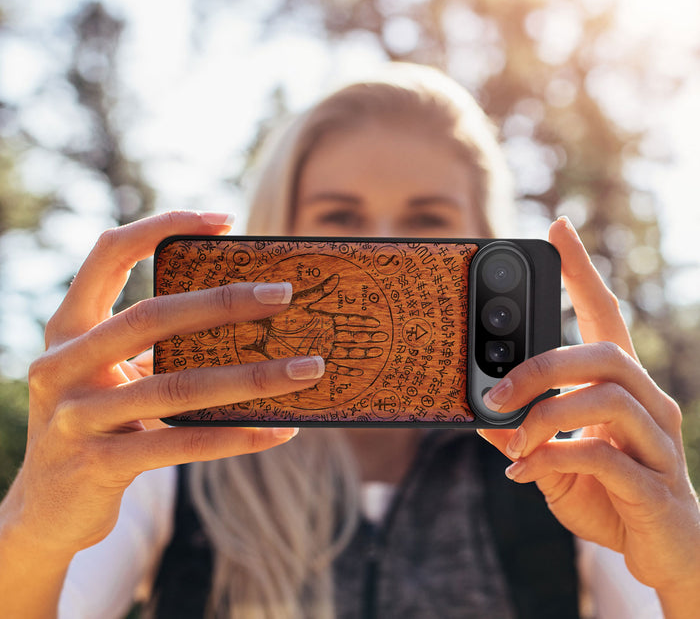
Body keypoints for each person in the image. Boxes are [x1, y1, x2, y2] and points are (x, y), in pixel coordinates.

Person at [0, 64, 698, 619]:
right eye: (340, 217)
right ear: (278, 233)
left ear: (487, 243)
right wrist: (34, 526)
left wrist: (685, 567)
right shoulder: (170, 454)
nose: (384, 250)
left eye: (427, 221)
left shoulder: (567, 462)